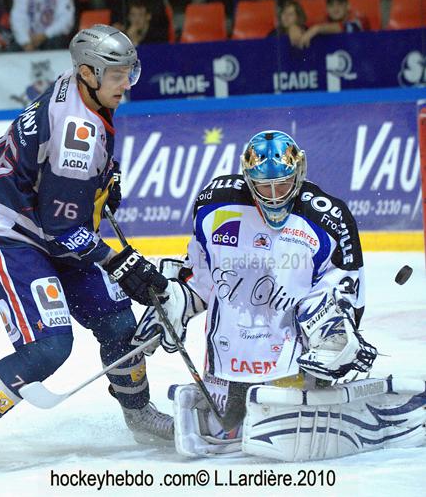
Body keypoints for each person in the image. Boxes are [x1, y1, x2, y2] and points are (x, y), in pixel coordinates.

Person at [0, 24, 171, 482]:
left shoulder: (80, 89)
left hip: (47, 221)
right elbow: (63, 228)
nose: (128, 82)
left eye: (129, 71)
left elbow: (59, 192)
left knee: (118, 323)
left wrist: (102, 182)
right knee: (49, 347)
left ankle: (138, 414)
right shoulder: (76, 130)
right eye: (118, 74)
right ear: (88, 72)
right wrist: (120, 262)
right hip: (12, 235)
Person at [135, 130, 378, 455]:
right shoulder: (213, 206)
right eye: (265, 186)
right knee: (220, 438)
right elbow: (202, 279)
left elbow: (348, 295)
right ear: (248, 180)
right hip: (223, 372)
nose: (275, 196)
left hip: (293, 374)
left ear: (300, 172)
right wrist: (172, 302)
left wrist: (339, 338)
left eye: (284, 184)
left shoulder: (330, 220)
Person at [10, 0, 75, 51]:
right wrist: (25, 41)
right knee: (12, 50)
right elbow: (17, 19)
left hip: (52, 37)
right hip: (28, 39)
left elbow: (66, 20)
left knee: (56, 43)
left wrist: (45, 35)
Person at [299, 0, 364, 48]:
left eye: (340, 4)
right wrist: (294, 28)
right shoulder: (323, 22)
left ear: (348, 6)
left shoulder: (358, 20)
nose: (335, 8)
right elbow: (304, 26)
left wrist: (316, 29)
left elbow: (342, 27)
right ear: (327, 8)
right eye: (331, 5)